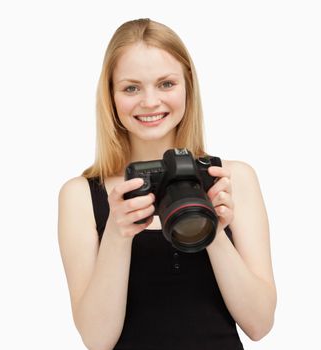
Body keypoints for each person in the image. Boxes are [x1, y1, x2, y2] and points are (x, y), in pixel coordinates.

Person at [57, 18, 276, 350]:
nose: (149, 101)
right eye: (131, 87)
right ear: (111, 96)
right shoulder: (81, 195)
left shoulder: (233, 179)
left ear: (187, 85)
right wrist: (117, 235)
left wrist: (213, 230)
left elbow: (259, 324)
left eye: (166, 84)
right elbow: (97, 339)